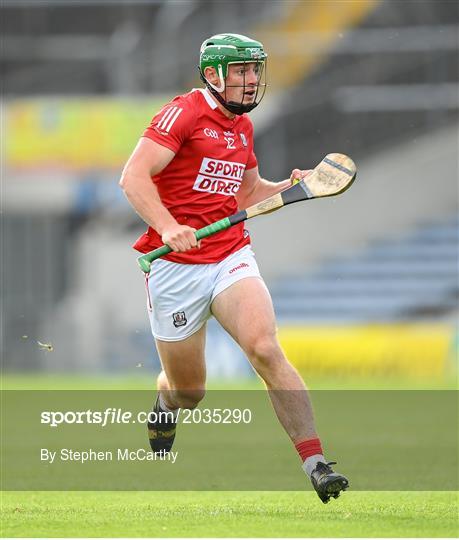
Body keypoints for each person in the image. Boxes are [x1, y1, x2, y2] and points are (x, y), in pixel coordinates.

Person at [120, 33, 348, 503]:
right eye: (241, 71)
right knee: (190, 391)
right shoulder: (183, 113)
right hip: (175, 267)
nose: (250, 81)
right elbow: (133, 177)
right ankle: (165, 402)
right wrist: (166, 227)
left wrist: (290, 186)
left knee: (264, 347)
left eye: (254, 71)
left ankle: (316, 463)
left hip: (228, 254)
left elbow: (244, 195)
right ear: (212, 74)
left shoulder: (242, 128)